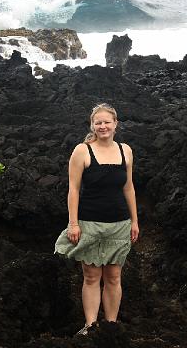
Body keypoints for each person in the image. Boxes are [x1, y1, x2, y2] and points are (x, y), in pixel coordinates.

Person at [54, 103, 139, 336]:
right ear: (92, 125)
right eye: (98, 122)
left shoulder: (126, 150)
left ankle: (110, 326)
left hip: (119, 223)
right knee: (91, 276)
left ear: (115, 124)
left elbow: (129, 187)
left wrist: (134, 221)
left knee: (113, 276)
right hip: (89, 222)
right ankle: (90, 326)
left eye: (107, 122)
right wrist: (74, 223)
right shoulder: (82, 150)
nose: (102, 126)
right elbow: (73, 189)